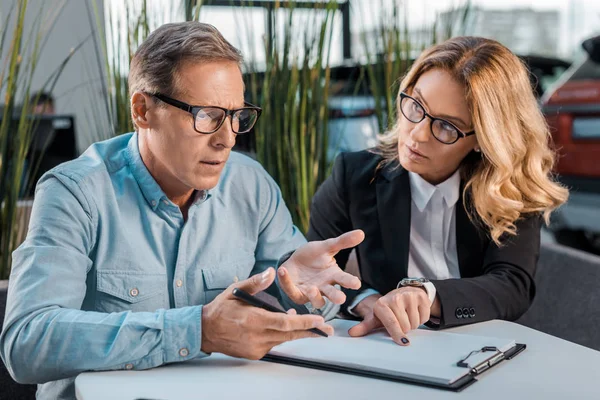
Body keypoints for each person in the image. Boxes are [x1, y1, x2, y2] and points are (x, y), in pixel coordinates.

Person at [0, 22, 364, 400]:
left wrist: (301, 296)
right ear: (142, 111)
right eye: (206, 115)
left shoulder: (250, 184)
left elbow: (291, 309)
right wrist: (198, 330)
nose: (227, 139)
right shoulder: (75, 193)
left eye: (236, 116)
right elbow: (27, 341)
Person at [307, 36, 569, 346]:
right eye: (416, 105)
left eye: (446, 125)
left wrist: (426, 294)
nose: (416, 134)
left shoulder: (507, 186)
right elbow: (315, 266)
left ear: (482, 139)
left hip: (482, 343)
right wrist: (367, 300)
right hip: (389, 344)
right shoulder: (353, 175)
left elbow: (512, 285)